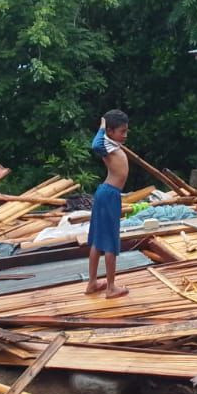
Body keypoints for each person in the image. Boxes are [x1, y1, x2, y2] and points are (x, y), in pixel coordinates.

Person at [87, 109, 130, 298]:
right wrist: (102, 127)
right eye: (122, 131)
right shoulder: (105, 142)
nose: (125, 135)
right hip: (109, 194)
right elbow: (95, 145)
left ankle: (92, 283)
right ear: (111, 131)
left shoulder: (112, 143)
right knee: (110, 242)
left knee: (98, 240)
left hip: (106, 193)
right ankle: (111, 287)